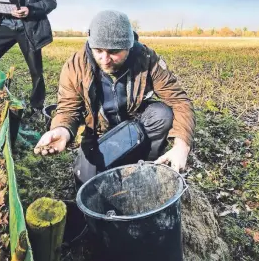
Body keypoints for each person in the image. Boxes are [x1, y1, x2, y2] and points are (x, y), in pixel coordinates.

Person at [34, 10, 195, 185]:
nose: (104, 59)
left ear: (129, 46)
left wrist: (182, 145)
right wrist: (62, 131)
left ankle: (148, 166)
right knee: (86, 183)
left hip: (135, 126)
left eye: (113, 51)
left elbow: (179, 100)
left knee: (161, 114)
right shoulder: (74, 66)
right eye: (98, 51)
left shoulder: (147, 59)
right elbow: (67, 109)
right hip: (99, 134)